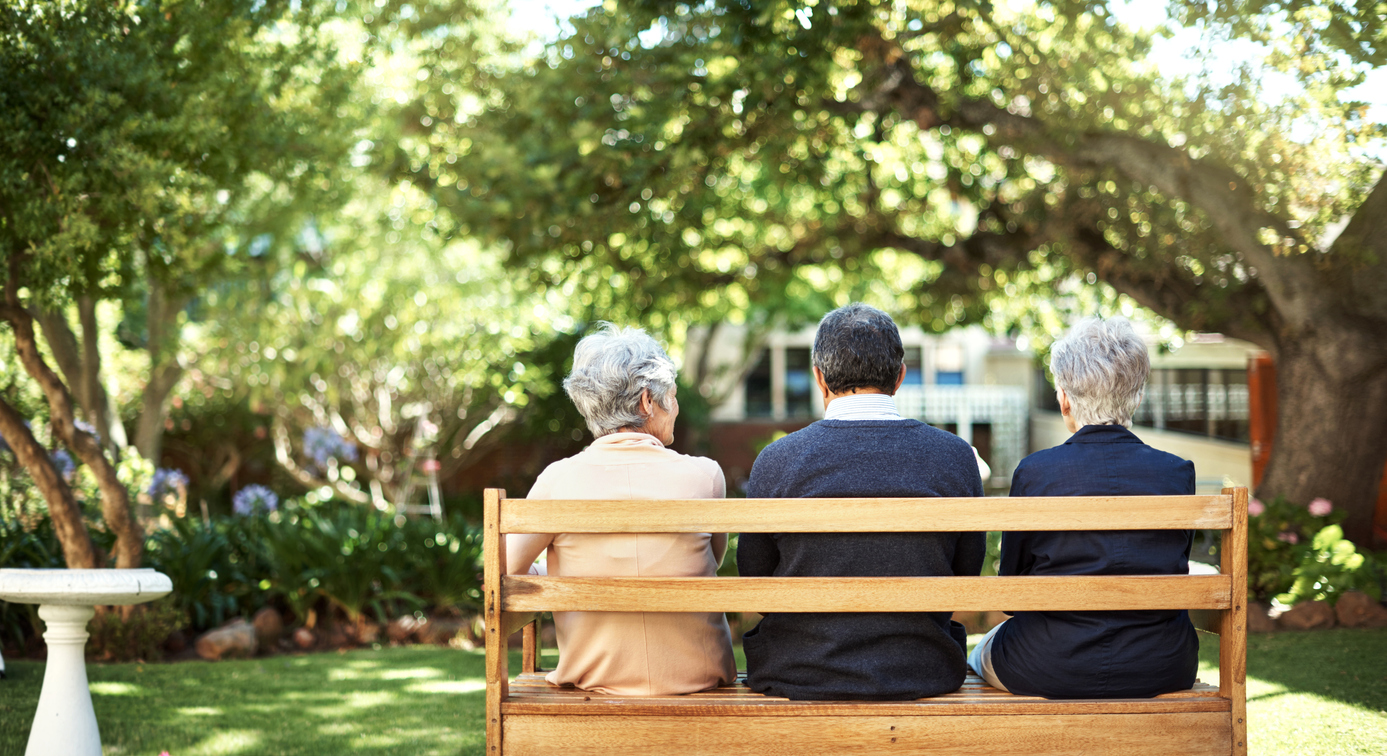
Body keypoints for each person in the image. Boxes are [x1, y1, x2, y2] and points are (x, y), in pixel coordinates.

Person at [738, 303, 987, 701]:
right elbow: (965, 574)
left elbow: (756, 579)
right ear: (900, 376)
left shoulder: (777, 461)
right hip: (923, 668)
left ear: (819, 378)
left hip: (798, 670)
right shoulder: (954, 456)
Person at [969, 317, 1199, 699]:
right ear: (1137, 397)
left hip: (1047, 662)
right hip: (1161, 663)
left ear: (1064, 399)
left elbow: (1013, 593)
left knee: (978, 653)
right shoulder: (1176, 473)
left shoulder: (1036, 473)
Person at [506, 324, 736, 696]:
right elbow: (710, 559)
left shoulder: (557, 480)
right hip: (698, 678)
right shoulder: (705, 476)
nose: (674, 409)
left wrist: (555, 568)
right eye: (672, 397)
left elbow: (504, 574)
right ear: (648, 401)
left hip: (595, 679)